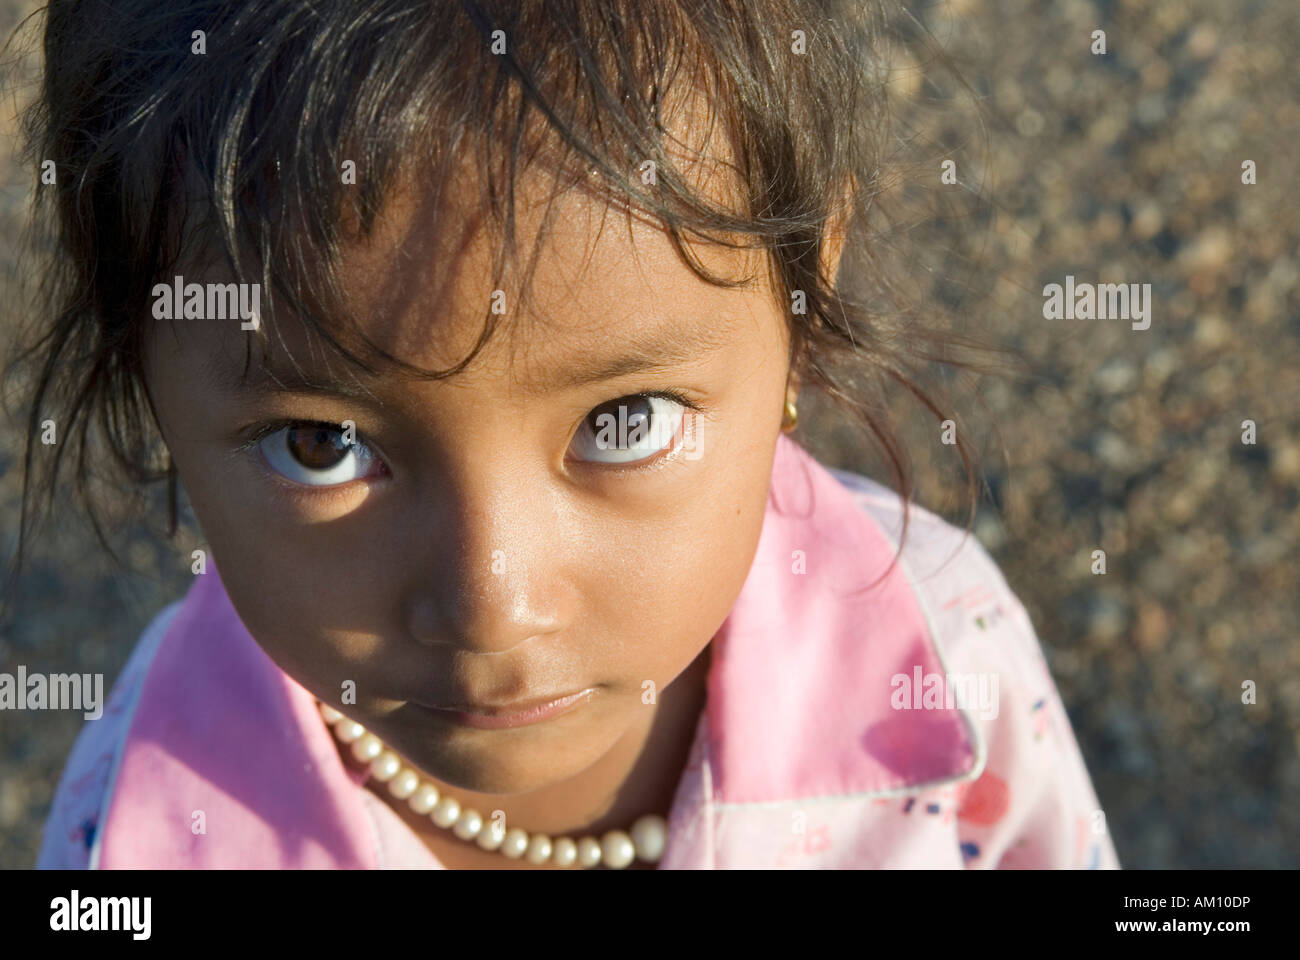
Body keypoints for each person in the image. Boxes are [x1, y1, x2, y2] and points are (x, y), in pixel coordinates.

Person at [11, 0, 1118, 869]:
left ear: (798, 298)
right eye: (318, 445)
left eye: (621, 421)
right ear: (147, 379)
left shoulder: (942, 657)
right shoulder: (142, 831)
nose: (494, 603)